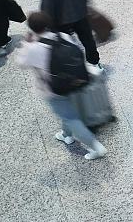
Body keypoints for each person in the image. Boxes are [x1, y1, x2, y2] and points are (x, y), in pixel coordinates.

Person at [15, 12, 108, 160]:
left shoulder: (32, 48)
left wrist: (26, 43)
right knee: (67, 111)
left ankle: (96, 147)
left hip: (53, 89)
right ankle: (66, 135)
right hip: (74, 81)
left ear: (32, 28)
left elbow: (21, 63)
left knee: (70, 117)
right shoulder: (62, 36)